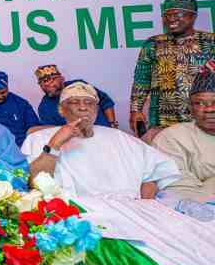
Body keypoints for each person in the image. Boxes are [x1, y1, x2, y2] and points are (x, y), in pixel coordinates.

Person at [24, 81, 178, 200]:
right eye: (75, 102)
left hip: (129, 211)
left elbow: (156, 173)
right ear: (61, 110)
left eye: (89, 102)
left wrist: (145, 204)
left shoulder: (118, 138)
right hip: (76, 217)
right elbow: (33, 182)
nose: (83, 107)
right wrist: (55, 144)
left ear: (96, 110)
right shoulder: (39, 138)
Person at [131, 0, 215, 133]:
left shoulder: (210, 42)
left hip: (205, 119)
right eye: (167, 15)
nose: (171, 19)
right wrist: (136, 110)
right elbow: (141, 80)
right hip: (163, 122)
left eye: (178, 14)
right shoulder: (153, 44)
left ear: (193, 16)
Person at [153, 65, 215, 203]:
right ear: (190, 108)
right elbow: (179, 190)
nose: (209, 109)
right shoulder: (172, 138)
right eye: (199, 103)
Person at [34, 65, 117, 128]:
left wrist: (112, 124)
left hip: (104, 131)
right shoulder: (44, 108)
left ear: (62, 78)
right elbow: (54, 133)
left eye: (51, 80)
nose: (47, 84)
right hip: (78, 144)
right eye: (42, 83)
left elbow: (106, 102)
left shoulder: (79, 85)